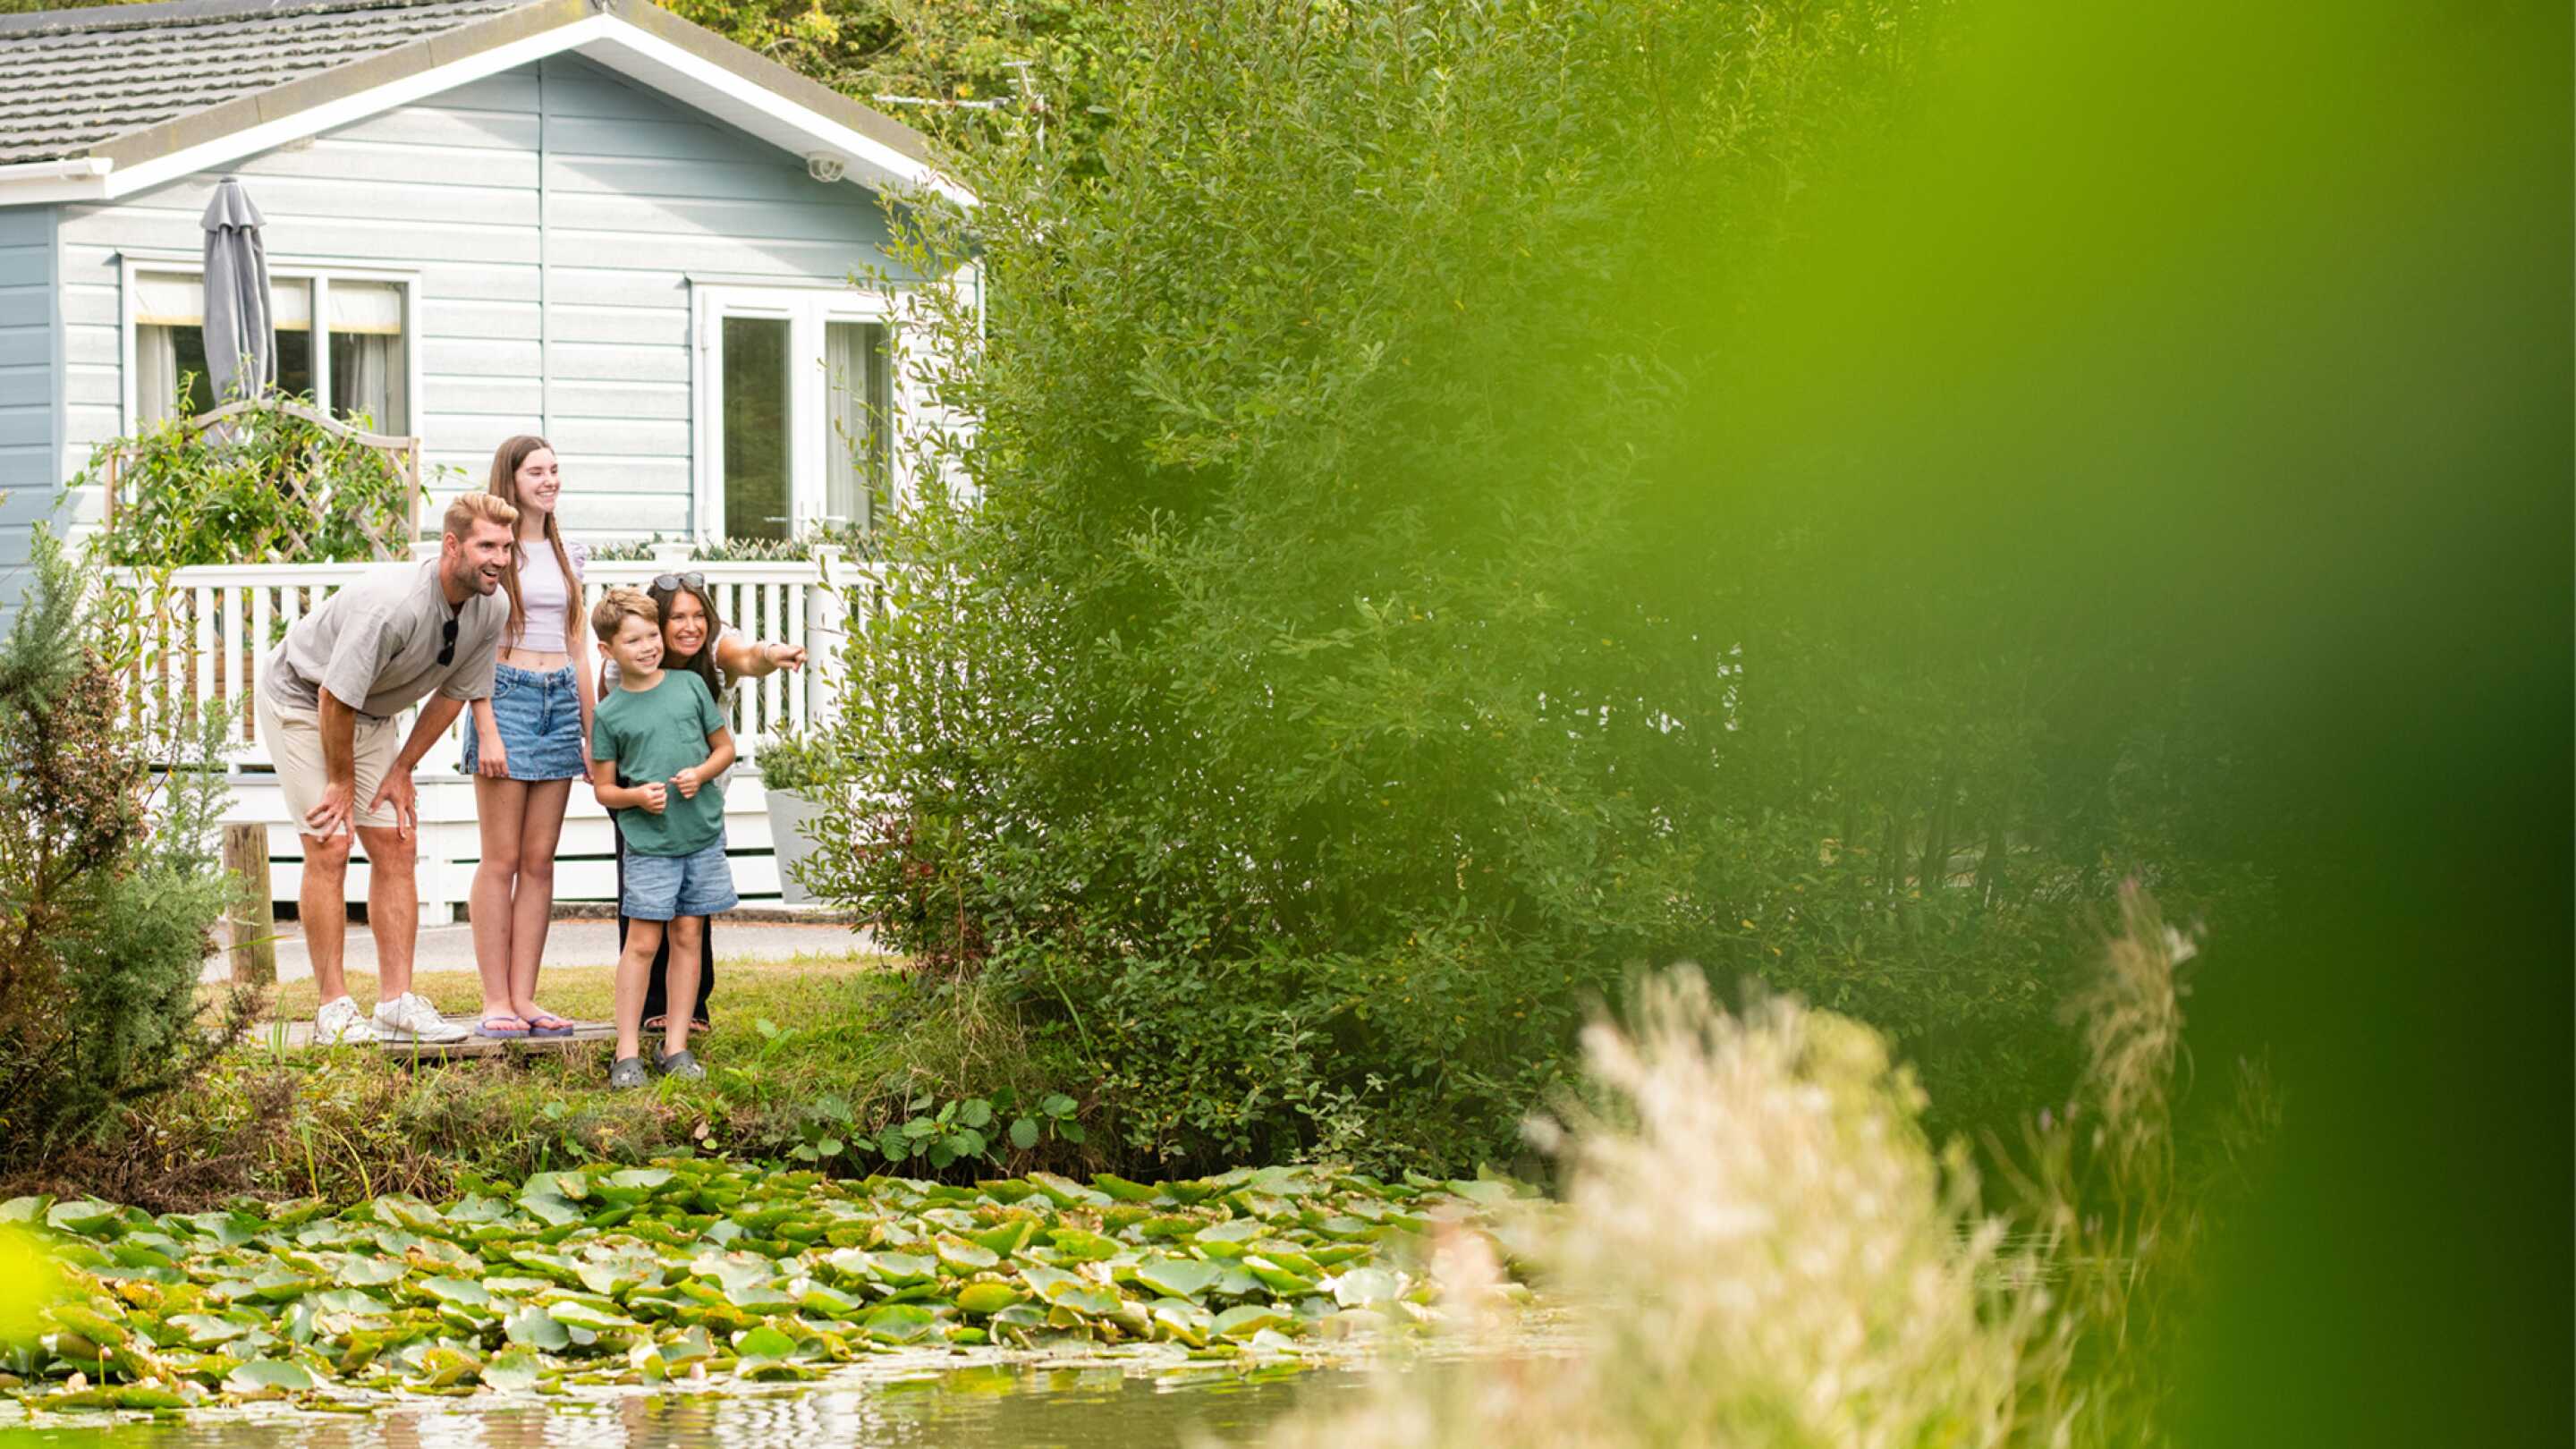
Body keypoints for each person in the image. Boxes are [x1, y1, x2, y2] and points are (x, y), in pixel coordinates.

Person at [253, 492, 516, 1046]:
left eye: (507, 547)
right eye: (487, 546)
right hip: (303, 699)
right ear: (452, 546)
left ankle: (396, 1003)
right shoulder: (392, 605)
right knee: (330, 839)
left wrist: (402, 768)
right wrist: (342, 783)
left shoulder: (492, 606)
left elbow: (455, 694)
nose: (500, 559)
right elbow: (333, 697)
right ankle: (333, 1010)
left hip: (369, 712)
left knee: (397, 842)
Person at [598, 572, 805, 1033]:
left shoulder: (714, 650)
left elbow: (751, 657)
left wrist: (775, 653)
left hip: (700, 791)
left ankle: (691, 1011)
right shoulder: (624, 656)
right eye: (677, 618)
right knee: (643, 903)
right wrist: (628, 795)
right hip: (640, 794)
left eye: (698, 616)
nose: (690, 627)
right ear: (656, 620)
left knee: (692, 910)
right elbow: (610, 727)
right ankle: (649, 1005)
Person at [463, 436, 593, 1038]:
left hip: (559, 698)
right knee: (503, 858)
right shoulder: (498, 550)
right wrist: (485, 726)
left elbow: (579, 646)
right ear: (511, 480)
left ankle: (525, 997)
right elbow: (476, 648)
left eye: (555, 470)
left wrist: (593, 734)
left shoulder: (571, 551)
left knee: (540, 862)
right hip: (508, 698)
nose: (550, 480)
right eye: (537, 471)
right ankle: (494, 1000)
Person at [588, 588, 738, 1087]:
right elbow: (604, 790)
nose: (649, 646)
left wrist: (700, 772)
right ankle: (626, 1050)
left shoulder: (689, 688)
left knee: (689, 934)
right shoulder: (609, 715)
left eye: (653, 635)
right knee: (643, 942)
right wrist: (636, 798)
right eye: (634, 640)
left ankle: (676, 1046)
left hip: (700, 834)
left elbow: (725, 749)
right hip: (650, 844)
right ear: (609, 651)